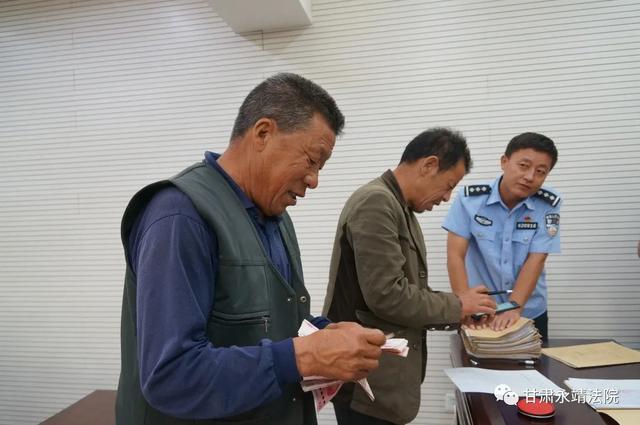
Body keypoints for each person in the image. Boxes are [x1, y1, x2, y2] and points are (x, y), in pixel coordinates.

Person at [115, 73, 386, 425]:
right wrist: (302, 358)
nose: (314, 180)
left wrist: (327, 335)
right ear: (263, 133)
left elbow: (277, 320)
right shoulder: (180, 217)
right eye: (311, 160)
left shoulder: (276, 219)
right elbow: (170, 376)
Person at [322, 128, 497, 425]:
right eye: (448, 185)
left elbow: (410, 290)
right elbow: (388, 296)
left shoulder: (401, 209)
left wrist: (461, 309)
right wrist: (457, 305)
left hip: (381, 377)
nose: (447, 197)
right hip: (364, 379)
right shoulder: (376, 202)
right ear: (429, 165)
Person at [443, 132, 561, 340]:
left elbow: (537, 259)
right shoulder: (470, 200)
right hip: (480, 310)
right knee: (475, 360)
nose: (530, 177)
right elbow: (455, 255)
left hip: (528, 310)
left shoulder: (548, 204)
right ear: (504, 162)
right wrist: (464, 303)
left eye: (540, 172)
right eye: (523, 166)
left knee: (532, 361)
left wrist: (513, 306)